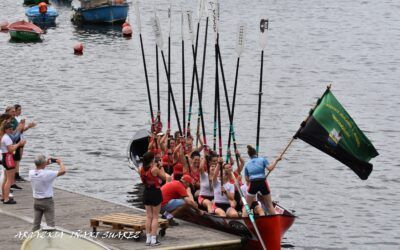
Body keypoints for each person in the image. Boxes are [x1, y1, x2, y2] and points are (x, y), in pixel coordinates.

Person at [29, 154, 66, 231]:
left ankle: (34, 240)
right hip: (47, 202)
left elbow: (38, 168)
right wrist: (60, 163)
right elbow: (63, 171)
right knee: (50, 225)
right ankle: (50, 242)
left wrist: (45, 164)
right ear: (43, 163)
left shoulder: (31, 173)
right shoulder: (47, 173)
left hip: (36, 201)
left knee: (36, 224)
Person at [140, 151, 168, 246]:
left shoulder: (141, 169)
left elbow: (147, 178)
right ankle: (153, 239)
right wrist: (162, 166)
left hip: (146, 192)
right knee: (155, 217)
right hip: (155, 193)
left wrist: (158, 166)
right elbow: (164, 178)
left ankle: (148, 239)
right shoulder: (154, 169)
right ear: (152, 159)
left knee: (148, 216)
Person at [244, 145, 281, 215]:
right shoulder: (262, 159)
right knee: (269, 205)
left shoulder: (247, 164)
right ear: (256, 153)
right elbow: (270, 168)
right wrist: (276, 160)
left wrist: (253, 179)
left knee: (247, 206)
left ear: (249, 155)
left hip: (253, 183)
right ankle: (274, 220)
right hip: (262, 182)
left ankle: (244, 220)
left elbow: (246, 179)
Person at [1, 122, 26, 204]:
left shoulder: (4, 137)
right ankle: (6, 199)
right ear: (5, 130)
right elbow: (10, 150)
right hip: (8, 157)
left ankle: (3, 196)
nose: (11, 131)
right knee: (9, 179)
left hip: (5, 157)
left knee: (5, 178)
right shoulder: (6, 138)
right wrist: (19, 144)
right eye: (10, 129)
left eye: (12, 129)